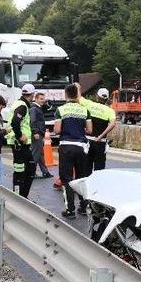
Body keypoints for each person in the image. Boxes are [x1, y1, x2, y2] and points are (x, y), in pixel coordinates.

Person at [54, 83, 92, 218]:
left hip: (66, 146)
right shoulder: (85, 110)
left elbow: (57, 130)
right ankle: (83, 207)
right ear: (77, 94)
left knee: (66, 179)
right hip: (81, 147)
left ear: (66, 95)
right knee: (82, 177)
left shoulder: (60, 110)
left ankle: (70, 210)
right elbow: (90, 130)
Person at [5, 84, 37, 198]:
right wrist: (20, 136)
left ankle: (20, 197)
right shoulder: (22, 106)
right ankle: (20, 198)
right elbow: (15, 122)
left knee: (22, 170)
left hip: (17, 143)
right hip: (19, 143)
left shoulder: (18, 103)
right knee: (24, 170)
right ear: (32, 95)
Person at [86, 88, 118, 172]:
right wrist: (101, 136)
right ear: (107, 99)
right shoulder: (110, 111)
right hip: (101, 142)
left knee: (86, 169)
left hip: (87, 141)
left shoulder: (89, 104)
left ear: (97, 96)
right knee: (99, 170)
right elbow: (113, 124)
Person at [30, 92, 52, 178]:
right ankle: (31, 173)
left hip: (39, 133)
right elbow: (33, 121)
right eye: (41, 99)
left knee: (40, 154)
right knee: (35, 154)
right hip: (37, 133)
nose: (43, 101)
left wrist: (47, 102)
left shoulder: (38, 107)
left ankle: (45, 172)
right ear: (36, 99)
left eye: (43, 99)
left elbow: (48, 109)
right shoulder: (34, 109)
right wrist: (35, 132)